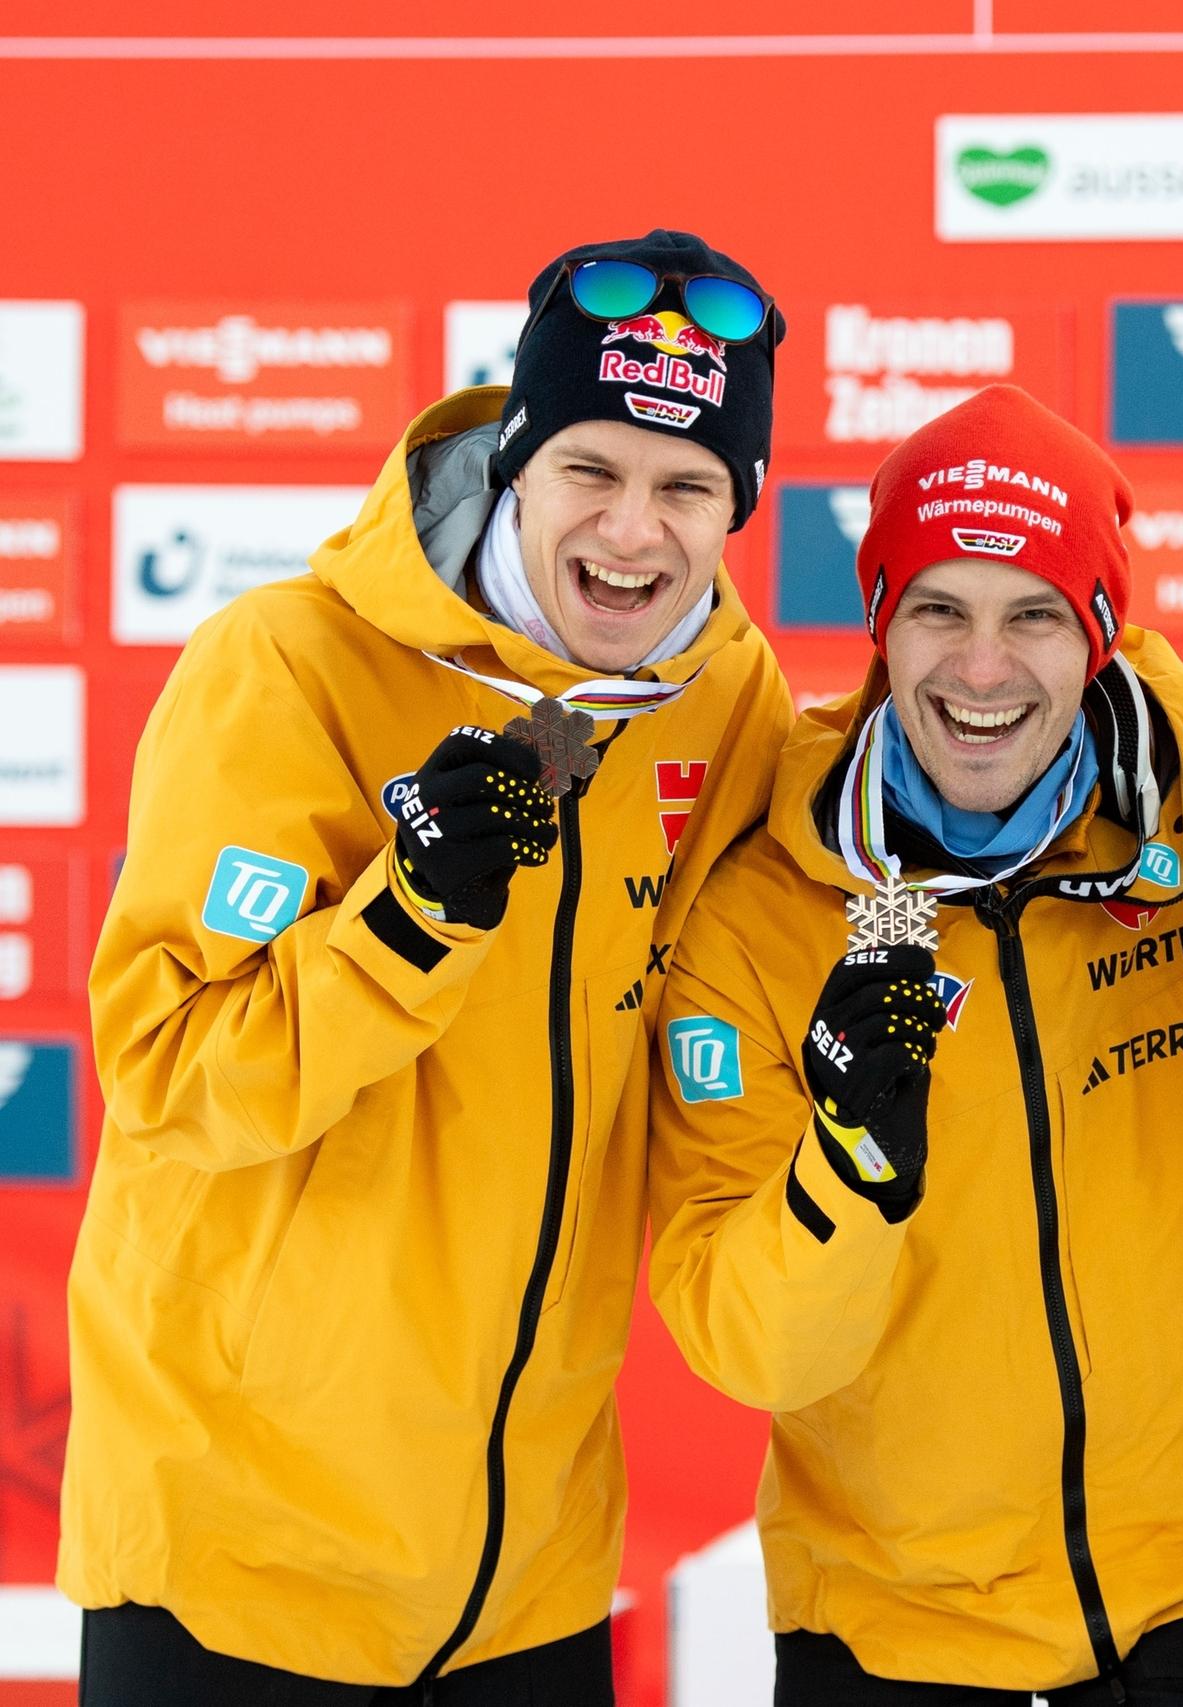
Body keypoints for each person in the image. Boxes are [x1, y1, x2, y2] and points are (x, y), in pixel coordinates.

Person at [65, 230, 795, 1701]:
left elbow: (905, 796)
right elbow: (170, 1077)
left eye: (687, 487)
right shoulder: (287, 666)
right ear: (516, 459)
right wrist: (404, 922)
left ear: (738, 510)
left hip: (524, 1581)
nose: (635, 532)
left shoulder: (729, 695)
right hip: (235, 1561)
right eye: (592, 469)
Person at [646, 385, 1183, 1706]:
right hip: (889, 1633)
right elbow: (752, 1350)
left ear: (1100, 634)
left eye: (1031, 614)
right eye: (939, 613)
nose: (981, 669)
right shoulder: (767, 912)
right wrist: (847, 1167)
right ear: (879, 629)